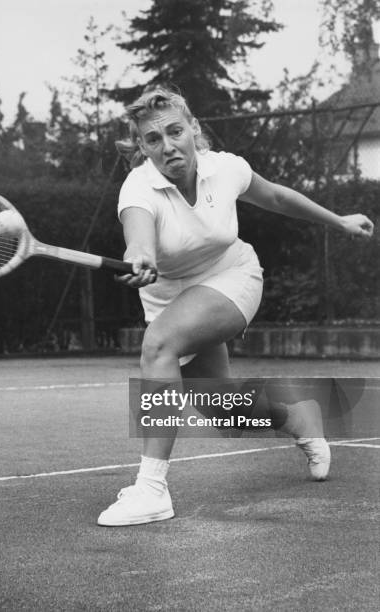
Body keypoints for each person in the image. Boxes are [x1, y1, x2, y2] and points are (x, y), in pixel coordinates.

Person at [97, 87, 374, 527]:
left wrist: (338, 220)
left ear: (193, 130)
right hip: (171, 300)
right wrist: (140, 255)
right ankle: (299, 420)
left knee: (158, 346)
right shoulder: (138, 189)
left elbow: (278, 197)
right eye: (153, 139)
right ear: (143, 148)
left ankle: (151, 489)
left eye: (175, 131)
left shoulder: (225, 169)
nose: (167, 145)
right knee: (224, 409)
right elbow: (139, 236)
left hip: (233, 277)